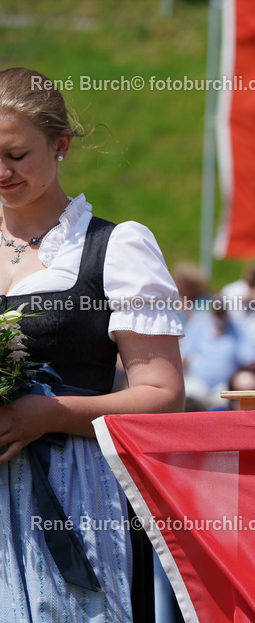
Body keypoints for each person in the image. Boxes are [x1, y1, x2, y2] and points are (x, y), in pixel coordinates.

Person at [0, 67, 185, 618]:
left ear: (60, 146)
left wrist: (47, 414)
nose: (1, 171)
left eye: (15, 154)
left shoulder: (114, 246)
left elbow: (162, 393)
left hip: (72, 491)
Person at [180, 296, 255, 410]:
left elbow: (251, 359)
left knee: (222, 404)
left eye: (222, 312)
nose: (219, 315)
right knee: (189, 398)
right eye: (216, 312)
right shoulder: (198, 324)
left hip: (224, 385)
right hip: (198, 382)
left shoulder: (238, 328)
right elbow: (185, 355)